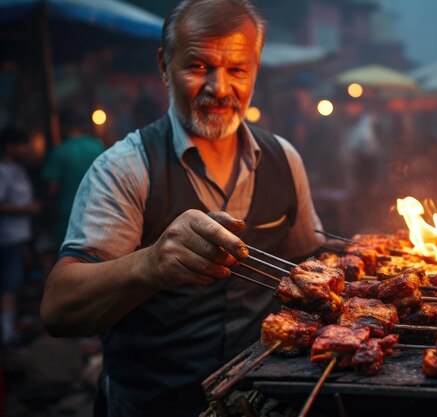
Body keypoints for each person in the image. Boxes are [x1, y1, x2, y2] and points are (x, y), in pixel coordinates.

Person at [40, 1, 323, 416]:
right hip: (152, 405)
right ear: (164, 65)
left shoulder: (285, 159)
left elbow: (307, 266)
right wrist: (150, 264)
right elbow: (58, 309)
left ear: (255, 69)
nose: (220, 88)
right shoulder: (125, 168)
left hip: (263, 403)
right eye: (199, 66)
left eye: (237, 70)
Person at [0, 125, 40, 346]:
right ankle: (6, 334)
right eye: (21, 144)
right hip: (6, 238)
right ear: (9, 147)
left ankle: (10, 329)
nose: (25, 149)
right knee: (8, 286)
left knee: (13, 285)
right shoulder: (4, 171)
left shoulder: (17, 168)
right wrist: (24, 208)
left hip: (18, 237)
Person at [42, 109, 105, 248]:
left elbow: (52, 188)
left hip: (68, 217)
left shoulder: (59, 152)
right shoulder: (97, 146)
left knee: (70, 259)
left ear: (62, 126)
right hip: (97, 214)